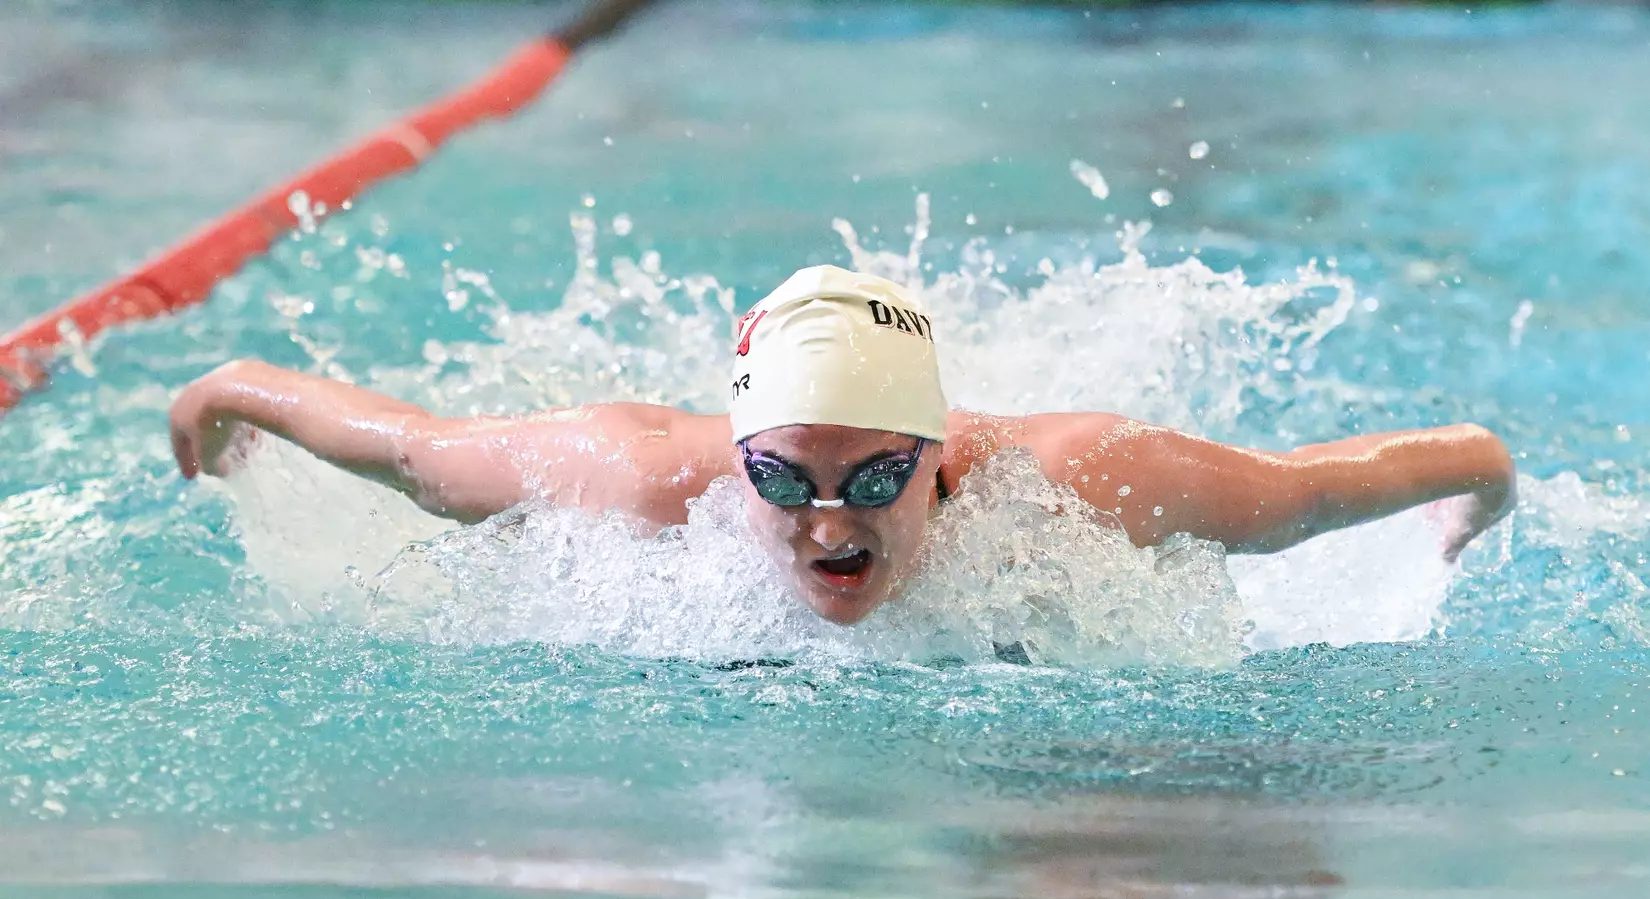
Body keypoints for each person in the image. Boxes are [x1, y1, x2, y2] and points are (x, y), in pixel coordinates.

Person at [169, 265, 1515, 626]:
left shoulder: (1083, 483)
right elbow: (414, 453)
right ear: (738, 459)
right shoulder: (639, 479)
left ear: (939, 460)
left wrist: (1476, 481)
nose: (828, 525)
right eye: (784, 480)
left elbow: (1314, 490)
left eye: (875, 478)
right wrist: (236, 385)